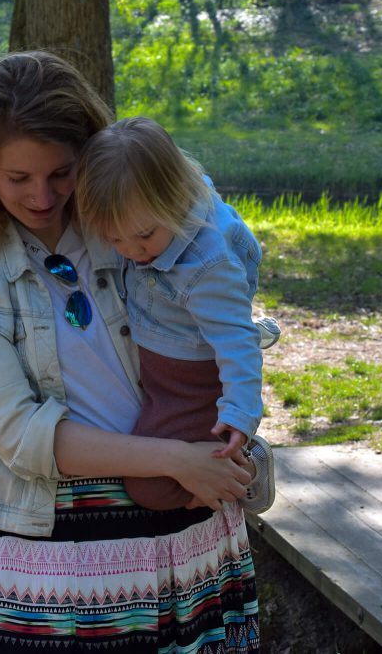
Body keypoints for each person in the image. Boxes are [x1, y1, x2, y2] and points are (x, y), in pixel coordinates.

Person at [0, 51, 262, 653]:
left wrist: (222, 444)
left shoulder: (133, 217)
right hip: (61, 537)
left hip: (190, 512)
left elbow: (219, 316)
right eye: (17, 179)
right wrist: (174, 460)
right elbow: (20, 433)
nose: (44, 197)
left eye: (61, 174)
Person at [75, 116, 278, 514]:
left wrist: (239, 416)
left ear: (173, 197)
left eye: (145, 235)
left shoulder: (206, 265)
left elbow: (237, 344)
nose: (131, 250)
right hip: (158, 370)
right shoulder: (153, 208)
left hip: (191, 384)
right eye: (114, 238)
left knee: (149, 489)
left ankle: (243, 469)